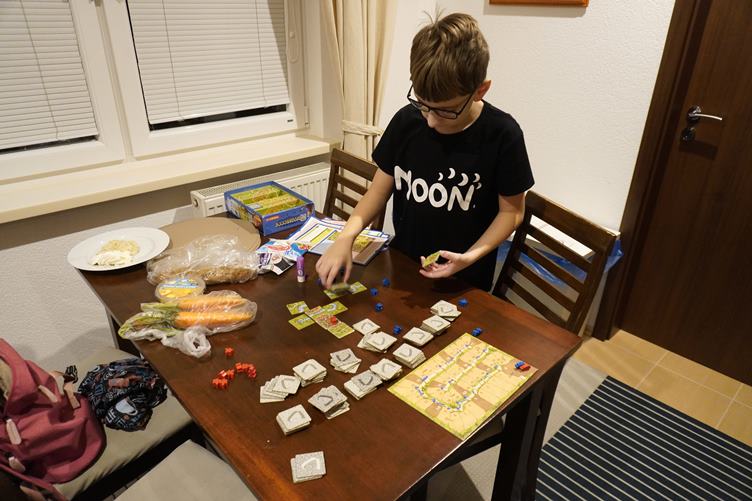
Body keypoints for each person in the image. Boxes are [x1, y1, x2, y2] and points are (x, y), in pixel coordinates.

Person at [316, 12, 534, 291]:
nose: (430, 120)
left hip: (465, 278)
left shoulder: (503, 135)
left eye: (445, 110)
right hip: (404, 266)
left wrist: (469, 257)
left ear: (480, 90)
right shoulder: (406, 121)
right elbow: (378, 192)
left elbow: (511, 213)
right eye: (422, 104)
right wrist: (346, 237)